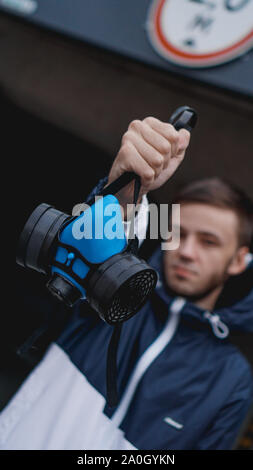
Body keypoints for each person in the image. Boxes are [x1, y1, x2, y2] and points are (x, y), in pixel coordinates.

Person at [0, 117, 253, 450]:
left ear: (239, 260)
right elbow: (90, 250)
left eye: (208, 242)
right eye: (178, 233)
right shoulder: (107, 296)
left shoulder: (231, 377)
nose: (187, 252)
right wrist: (125, 192)